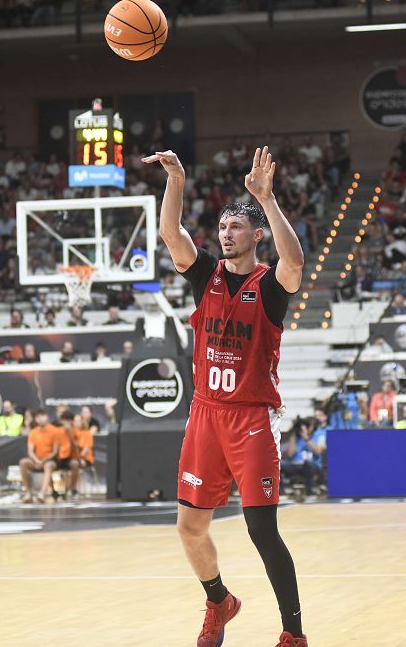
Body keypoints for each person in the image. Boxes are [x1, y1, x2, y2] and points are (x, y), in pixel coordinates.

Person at [148, 145, 308, 646]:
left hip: (252, 419)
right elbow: (170, 235)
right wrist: (176, 181)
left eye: (236, 227)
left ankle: (294, 634)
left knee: (262, 531)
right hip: (206, 416)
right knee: (189, 527)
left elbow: (296, 262)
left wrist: (266, 198)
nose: (226, 233)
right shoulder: (205, 278)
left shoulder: (269, 287)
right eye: (222, 227)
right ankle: (219, 600)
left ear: (255, 234)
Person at [19, 409, 58, 503]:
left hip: (50, 461)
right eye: (37, 417)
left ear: (47, 417)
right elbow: (30, 451)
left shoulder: (55, 431)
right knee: (23, 462)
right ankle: (28, 493)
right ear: (35, 419)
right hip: (36, 461)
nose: (40, 419)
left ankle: (42, 494)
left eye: (42, 416)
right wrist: (37, 461)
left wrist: (43, 461)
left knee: (48, 465)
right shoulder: (33, 432)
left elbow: (55, 452)